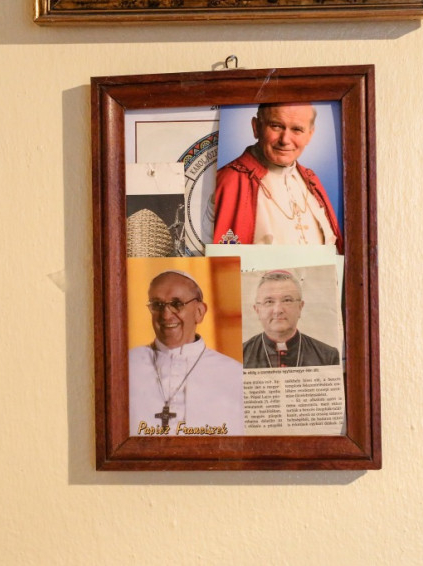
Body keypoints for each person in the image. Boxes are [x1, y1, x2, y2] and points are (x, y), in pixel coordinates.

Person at [213, 102, 344, 253]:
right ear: (256, 127)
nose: (285, 140)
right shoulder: (227, 181)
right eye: (276, 126)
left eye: (297, 129)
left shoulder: (312, 180)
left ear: (310, 135)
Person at [129, 270, 245, 435]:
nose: (166, 315)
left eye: (177, 304)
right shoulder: (126, 366)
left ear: (199, 312)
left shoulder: (236, 375)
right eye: (157, 305)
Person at [243, 270, 340, 369]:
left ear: (300, 307)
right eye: (269, 302)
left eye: (287, 300)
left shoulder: (328, 356)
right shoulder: (240, 355)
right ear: (257, 310)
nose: (278, 310)